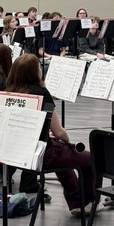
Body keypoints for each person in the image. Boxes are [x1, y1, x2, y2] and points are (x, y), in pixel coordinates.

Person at [7, 54, 102, 215]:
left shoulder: (7, 92)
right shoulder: (40, 92)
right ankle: (88, 202)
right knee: (92, 160)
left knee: (62, 155)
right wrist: (66, 140)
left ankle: (76, 202)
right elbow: (59, 131)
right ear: (34, 72)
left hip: (16, 154)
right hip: (40, 155)